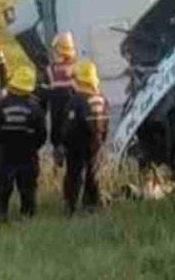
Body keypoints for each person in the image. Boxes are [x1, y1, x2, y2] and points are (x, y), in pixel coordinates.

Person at [0, 66, 46, 221]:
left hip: (4, 156)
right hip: (28, 156)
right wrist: (32, 147)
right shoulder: (36, 108)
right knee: (28, 190)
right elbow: (42, 135)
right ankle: (28, 218)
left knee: (2, 190)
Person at [61, 60, 110, 215]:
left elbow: (68, 127)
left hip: (77, 145)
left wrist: (63, 143)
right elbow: (106, 124)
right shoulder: (103, 99)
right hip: (96, 144)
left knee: (74, 175)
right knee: (93, 174)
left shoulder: (76, 100)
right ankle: (91, 204)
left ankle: (71, 206)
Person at [44, 32, 76, 165]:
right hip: (72, 119)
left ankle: (58, 162)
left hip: (57, 119)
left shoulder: (50, 70)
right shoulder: (77, 68)